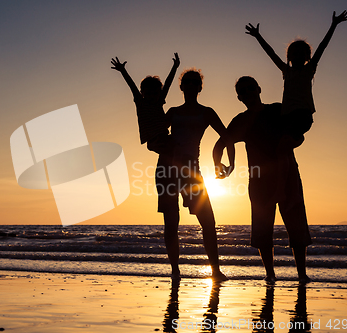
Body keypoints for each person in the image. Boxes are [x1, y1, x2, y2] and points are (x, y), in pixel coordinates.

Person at [213, 76, 312, 283]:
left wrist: (293, 142)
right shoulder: (241, 121)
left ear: (259, 89)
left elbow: (299, 134)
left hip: (288, 174)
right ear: (239, 97)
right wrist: (222, 165)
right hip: (259, 179)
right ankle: (270, 275)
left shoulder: (278, 110)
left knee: (296, 226)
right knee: (262, 229)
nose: (248, 93)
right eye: (243, 91)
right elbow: (220, 144)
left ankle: (302, 275)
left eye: (251, 88)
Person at [158, 68, 232, 281]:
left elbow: (226, 136)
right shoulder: (172, 112)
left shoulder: (206, 112)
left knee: (208, 221)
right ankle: (175, 271)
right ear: (181, 87)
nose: (190, 85)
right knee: (171, 222)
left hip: (191, 169)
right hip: (167, 168)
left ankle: (215, 271)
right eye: (187, 82)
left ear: (200, 87)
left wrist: (223, 163)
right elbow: (155, 134)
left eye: (194, 82)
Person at [245, 10, 347, 145]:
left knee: (285, 142)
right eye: (294, 54)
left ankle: (295, 140)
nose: (298, 56)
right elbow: (271, 53)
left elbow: (322, 46)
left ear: (307, 57)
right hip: (287, 116)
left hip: (302, 116)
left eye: (301, 54)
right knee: (280, 143)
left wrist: (334, 24)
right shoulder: (287, 71)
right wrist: (258, 36)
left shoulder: (308, 70)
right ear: (289, 57)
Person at [111, 53, 180, 154]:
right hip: (153, 140)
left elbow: (168, 83)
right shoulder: (141, 103)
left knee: (178, 147)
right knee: (174, 150)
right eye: (148, 94)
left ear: (159, 93)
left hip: (164, 136)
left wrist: (175, 67)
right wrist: (123, 70)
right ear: (142, 93)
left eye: (155, 93)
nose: (152, 96)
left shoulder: (159, 100)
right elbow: (132, 85)